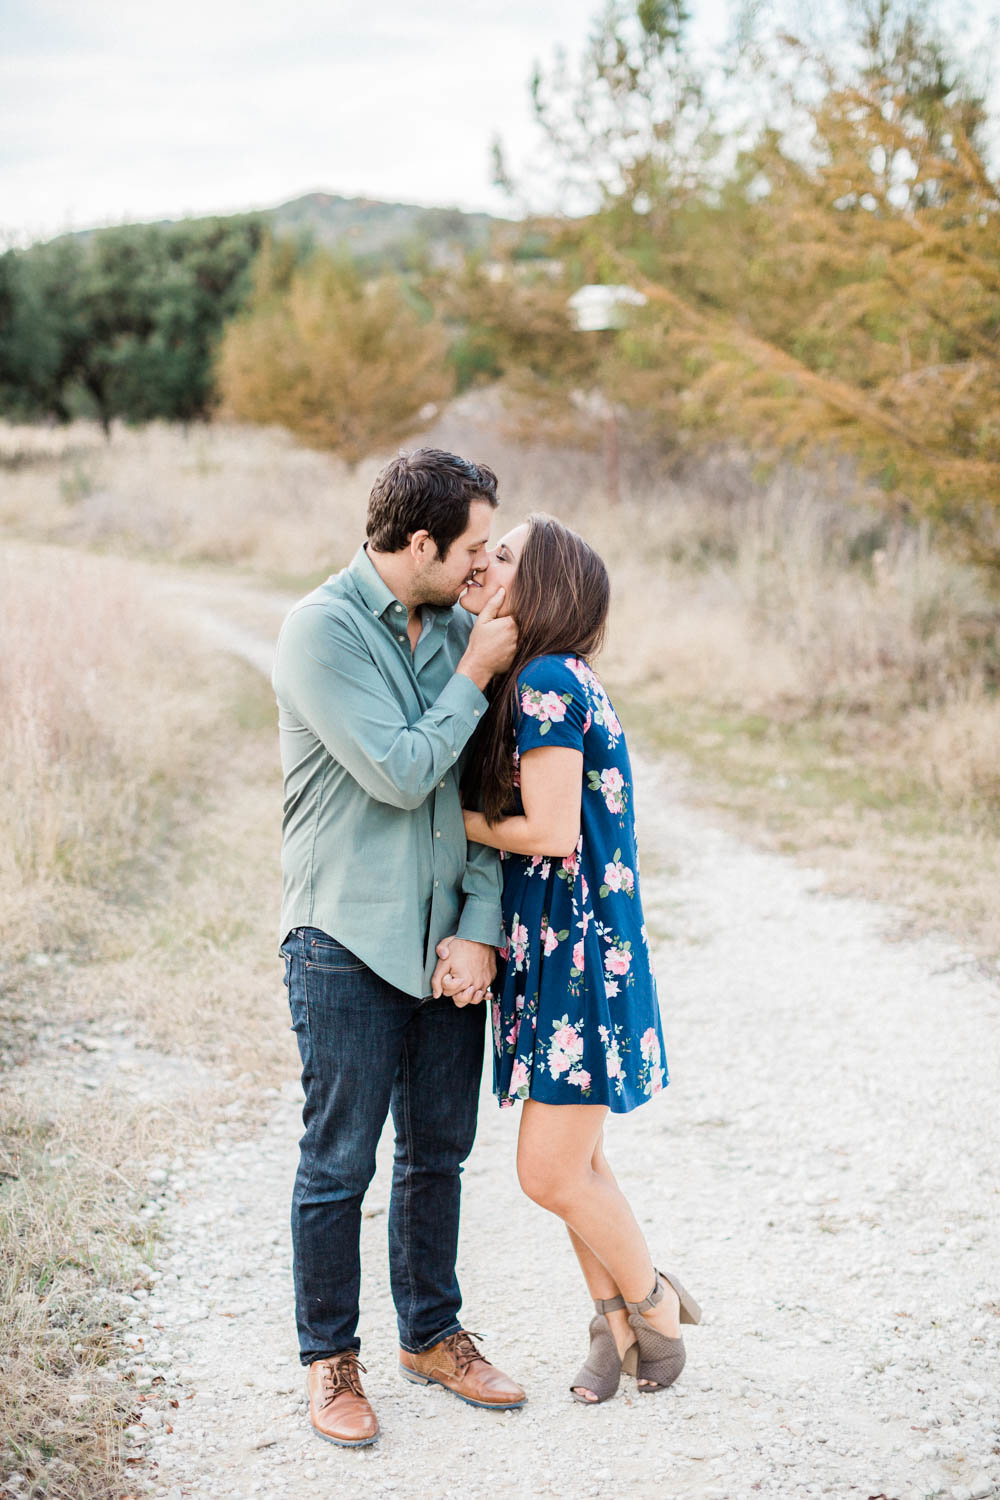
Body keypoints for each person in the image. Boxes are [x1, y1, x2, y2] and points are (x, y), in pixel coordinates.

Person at [273, 449, 527, 1449]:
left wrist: (478, 930)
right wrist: (474, 674)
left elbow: (480, 801)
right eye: (468, 547)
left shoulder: (464, 628)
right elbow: (400, 771)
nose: (478, 567)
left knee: (439, 1156)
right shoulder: (320, 631)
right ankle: (330, 1361)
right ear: (416, 544)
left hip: (444, 950)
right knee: (338, 1163)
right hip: (344, 935)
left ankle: (431, 1334)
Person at [455, 512, 702, 1405]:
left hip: (576, 955)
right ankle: (613, 1330)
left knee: (548, 1170)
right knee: (579, 1166)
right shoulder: (560, 678)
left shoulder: (549, 683)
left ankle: (655, 1301)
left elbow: (553, 830)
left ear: (542, 588)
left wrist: (454, 824)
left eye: (506, 556)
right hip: (570, 948)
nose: (487, 563)